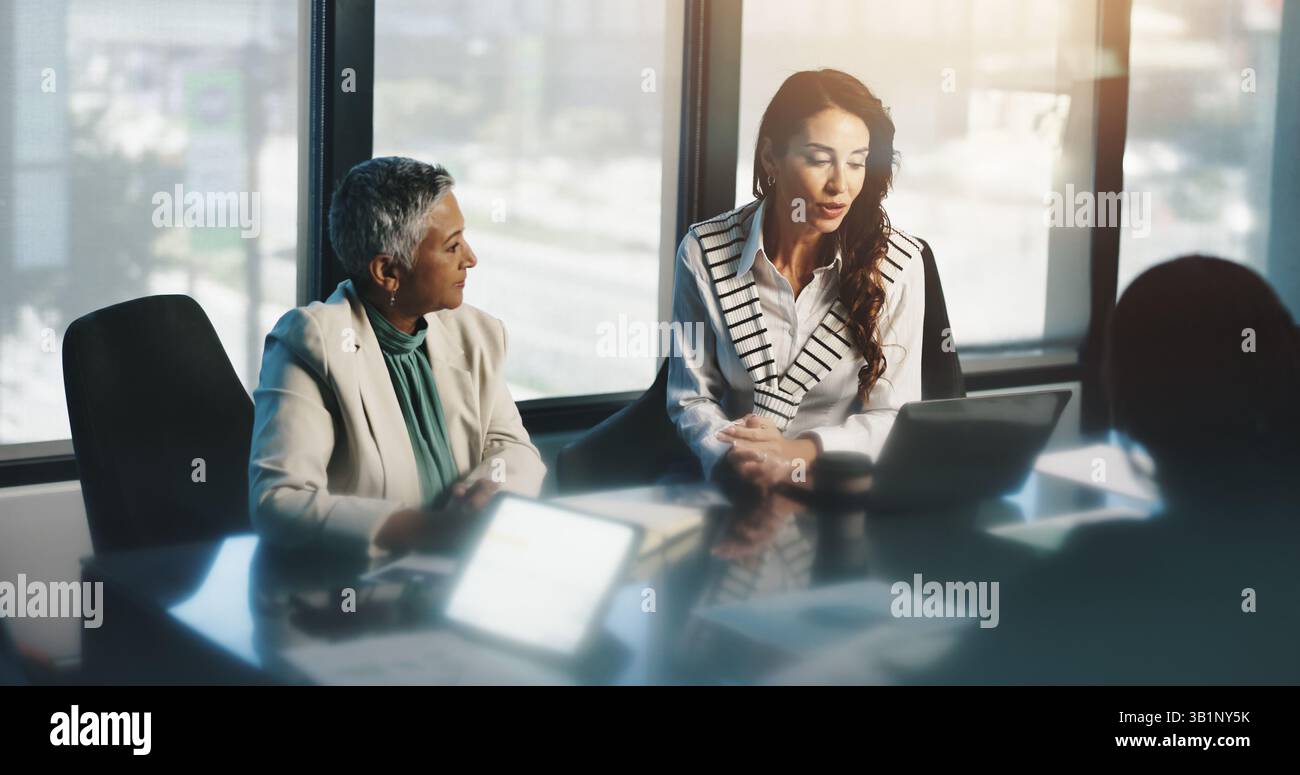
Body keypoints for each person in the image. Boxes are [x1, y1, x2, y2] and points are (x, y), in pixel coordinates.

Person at [249, 156, 545, 555]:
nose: (470, 258)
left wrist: (487, 501)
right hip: (356, 593)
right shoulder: (308, 342)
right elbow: (278, 503)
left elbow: (513, 447)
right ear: (388, 272)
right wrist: (431, 531)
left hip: (464, 567)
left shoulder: (477, 333)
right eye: (452, 245)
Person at [667, 69, 928, 491]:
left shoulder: (895, 264)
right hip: (735, 484)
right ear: (771, 158)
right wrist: (739, 459)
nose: (839, 185)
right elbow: (691, 398)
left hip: (836, 488)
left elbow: (893, 415)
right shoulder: (705, 251)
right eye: (819, 159)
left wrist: (795, 454)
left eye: (857, 162)